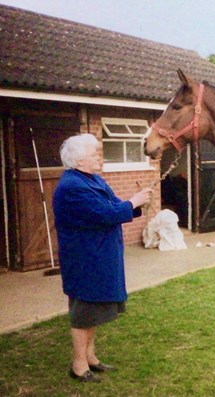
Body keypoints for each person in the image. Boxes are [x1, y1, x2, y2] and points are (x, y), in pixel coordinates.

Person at [53, 133, 152, 383]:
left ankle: (90, 357)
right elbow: (104, 214)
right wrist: (133, 203)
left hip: (100, 258)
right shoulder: (72, 187)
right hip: (85, 261)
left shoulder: (93, 180)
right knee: (83, 315)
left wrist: (136, 205)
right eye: (95, 153)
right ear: (78, 160)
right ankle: (78, 365)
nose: (100, 157)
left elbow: (115, 207)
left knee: (94, 313)